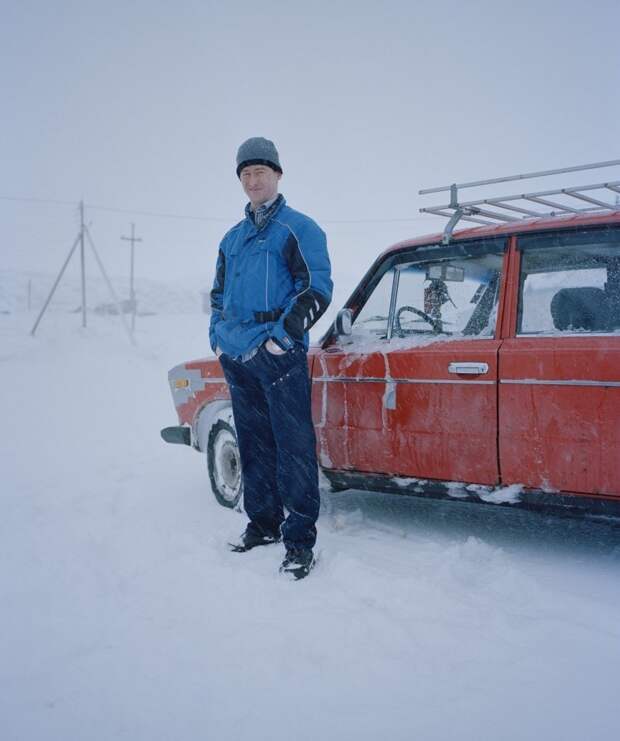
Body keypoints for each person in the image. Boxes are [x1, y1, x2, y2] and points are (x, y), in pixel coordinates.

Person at [209, 137, 333, 580]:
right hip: (238, 354)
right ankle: (263, 524)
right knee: (254, 444)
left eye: (260, 171)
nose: (252, 180)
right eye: (245, 174)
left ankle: (299, 540)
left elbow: (316, 289)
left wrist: (281, 340)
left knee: (293, 448)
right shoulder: (233, 238)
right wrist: (216, 339)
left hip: (277, 354)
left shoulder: (298, 229)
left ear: (277, 175)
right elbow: (218, 295)